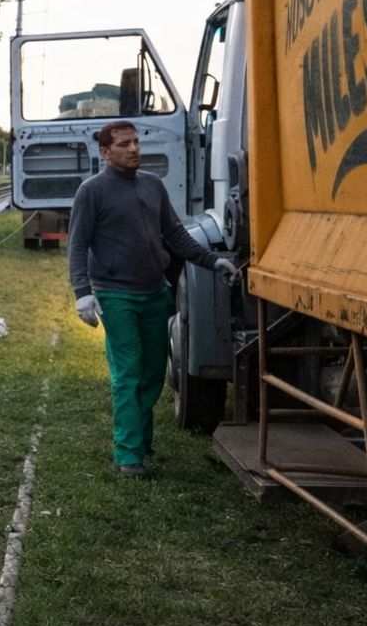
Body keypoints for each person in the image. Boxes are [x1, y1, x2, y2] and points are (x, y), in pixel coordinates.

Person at [68, 120, 239, 479]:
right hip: (116, 297)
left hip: (153, 293)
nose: (134, 149)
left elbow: (175, 235)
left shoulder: (152, 185)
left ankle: (140, 441)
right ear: (105, 152)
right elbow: (78, 245)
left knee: (151, 375)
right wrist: (83, 294)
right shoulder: (92, 191)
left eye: (136, 143)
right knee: (128, 373)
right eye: (124, 144)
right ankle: (129, 456)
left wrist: (213, 261)